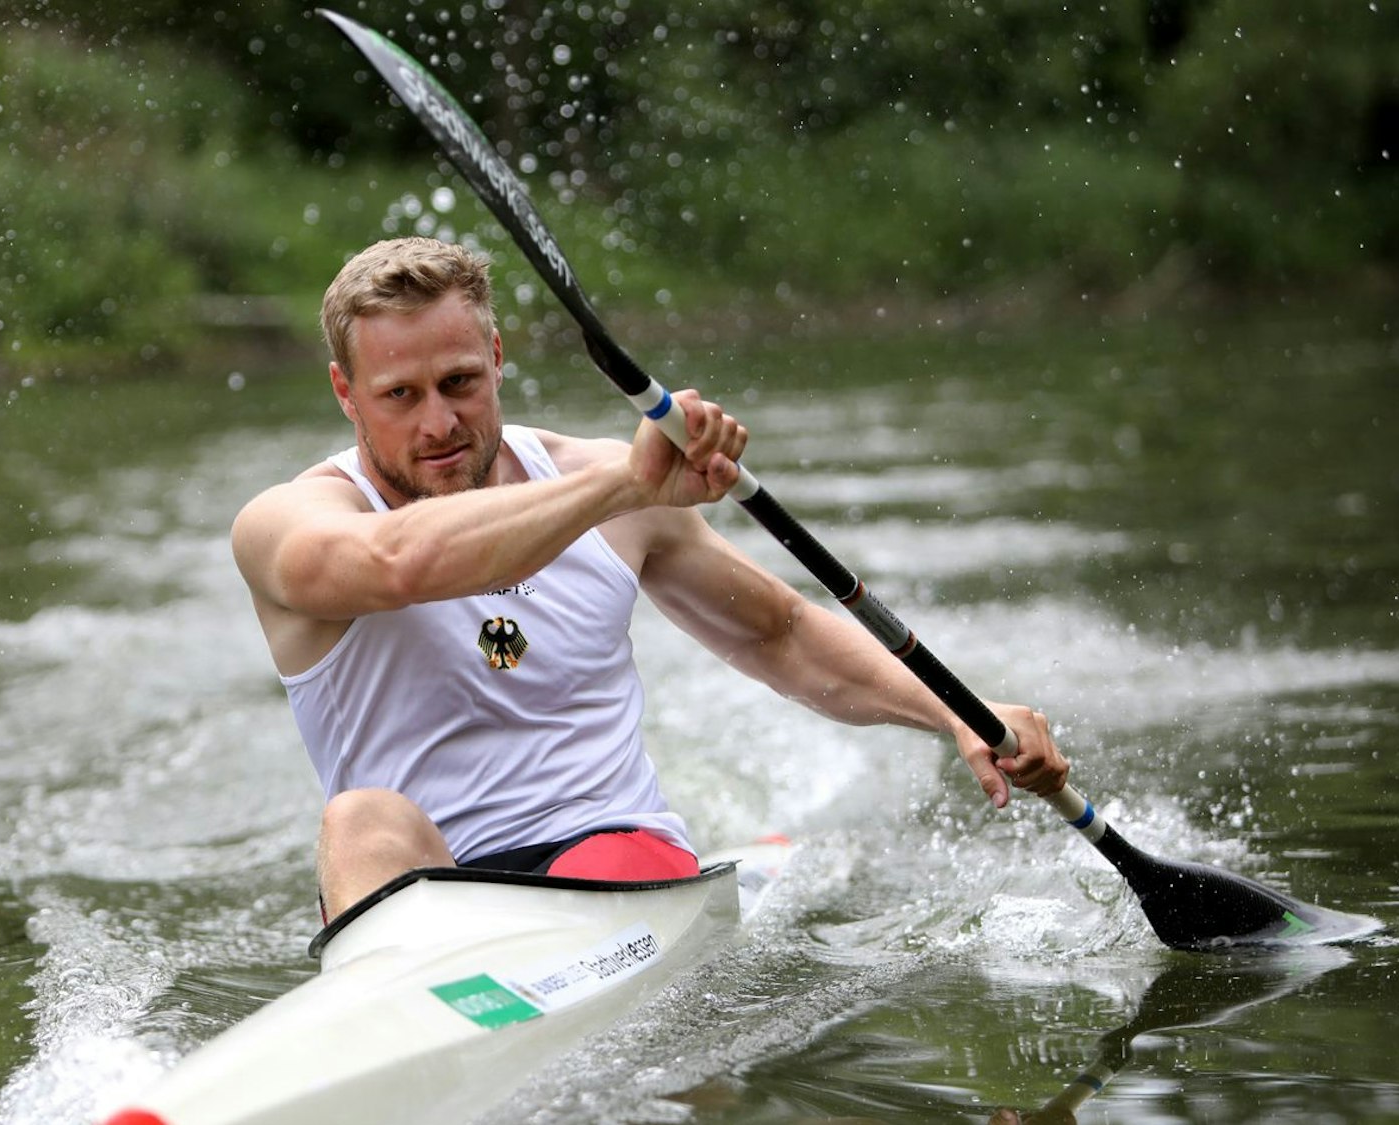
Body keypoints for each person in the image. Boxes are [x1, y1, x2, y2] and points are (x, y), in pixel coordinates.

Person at [231, 237, 1067, 919]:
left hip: (613, 854)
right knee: (359, 820)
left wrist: (960, 712)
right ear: (345, 392)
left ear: (496, 354)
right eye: (399, 395)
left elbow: (777, 631)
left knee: (607, 852)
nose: (439, 422)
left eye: (459, 383)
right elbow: (399, 560)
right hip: (431, 895)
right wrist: (626, 484)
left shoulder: (603, 481)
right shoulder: (286, 527)